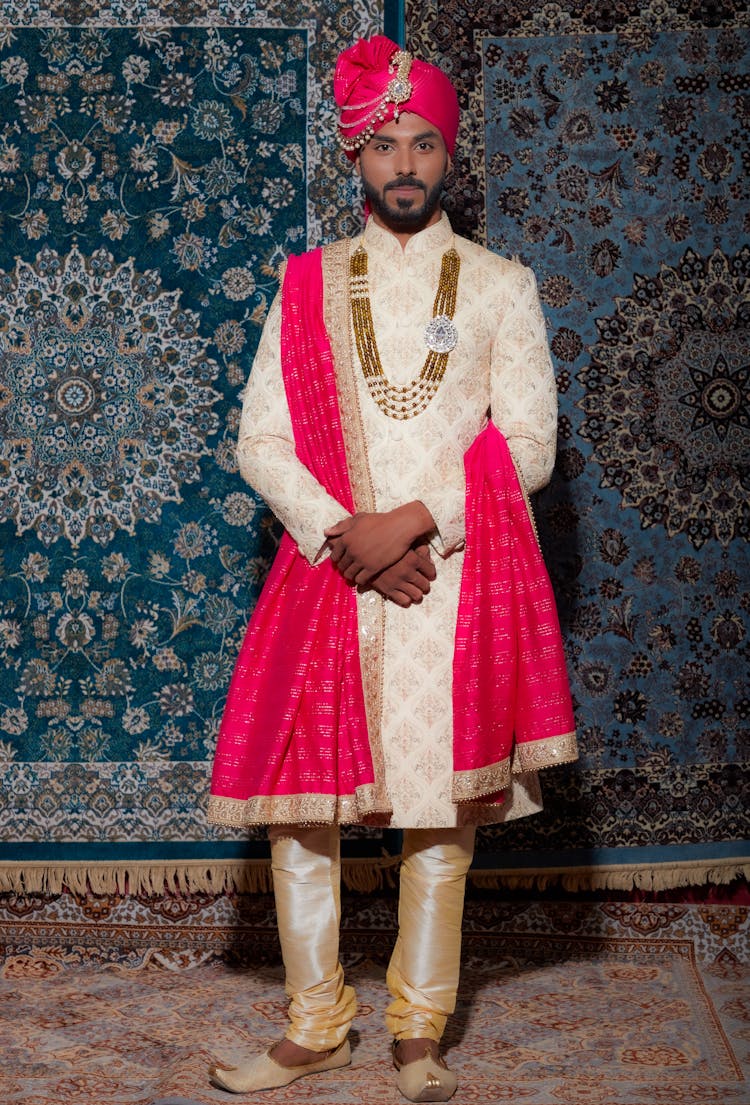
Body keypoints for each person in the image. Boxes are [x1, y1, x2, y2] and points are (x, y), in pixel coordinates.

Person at [207, 34, 577, 1102]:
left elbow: (532, 445)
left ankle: (419, 1031)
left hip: (454, 582)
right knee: (303, 816)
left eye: (423, 143)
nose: (404, 163)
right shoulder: (309, 284)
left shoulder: (504, 286)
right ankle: (315, 1022)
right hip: (330, 576)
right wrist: (347, 537)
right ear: (355, 162)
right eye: (382, 146)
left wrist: (410, 525)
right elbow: (261, 440)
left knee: (439, 818)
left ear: (448, 155)